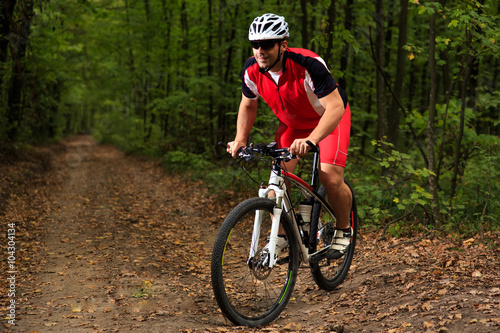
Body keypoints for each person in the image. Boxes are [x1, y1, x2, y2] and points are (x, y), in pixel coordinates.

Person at [227, 13, 352, 259]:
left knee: (330, 178)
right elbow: (248, 104)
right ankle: (283, 235)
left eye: (267, 44)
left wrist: (312, 140)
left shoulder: (308, 64)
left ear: (283, 44)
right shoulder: (252, 70)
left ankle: (343, 229)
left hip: (329, 119)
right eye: (255, 44)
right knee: (277, 183)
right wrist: (241, 139)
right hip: (293, 126)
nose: (260, 50)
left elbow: (335, 107)